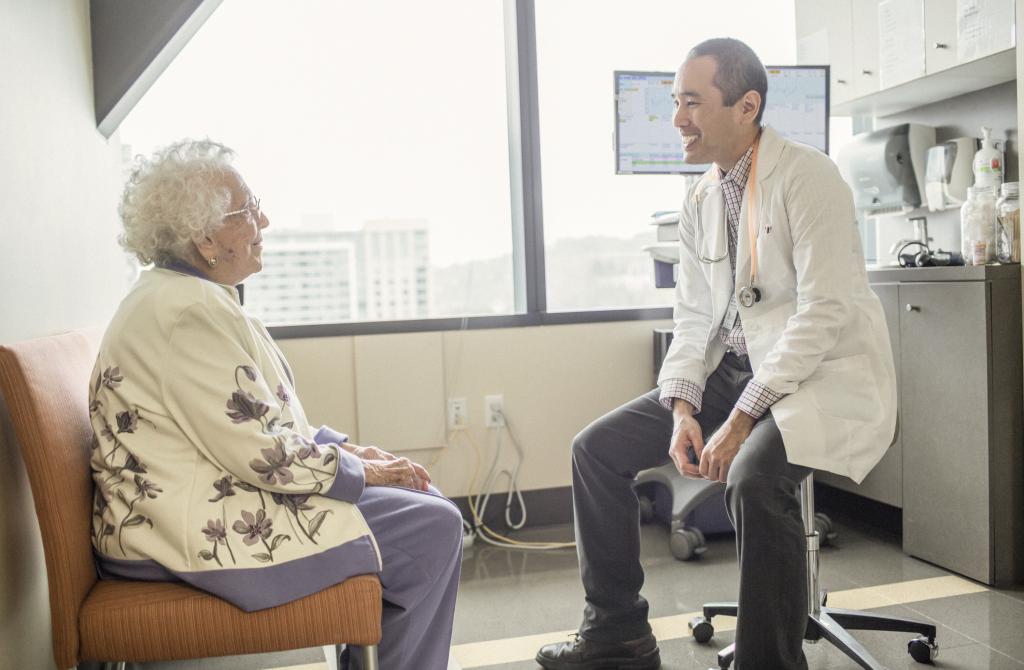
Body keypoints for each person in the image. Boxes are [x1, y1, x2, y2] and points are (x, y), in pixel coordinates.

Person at [535, 38, 896, 670]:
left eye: (692, 103)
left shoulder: (809, 175)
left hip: (818, 376)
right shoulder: (701, 195)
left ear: (747, 105)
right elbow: (695, 317)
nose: (677, 119)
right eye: (676, 103)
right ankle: (616, 632)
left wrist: (740, 418)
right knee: (596, 449)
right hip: (737, 370)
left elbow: (823, 313)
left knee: (753, 479)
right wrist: (681, 408)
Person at [89, 139, 462, 670]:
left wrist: (352, 452)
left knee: (427, 506)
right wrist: (365, 472)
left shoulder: (181, 297)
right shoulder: (187, 313)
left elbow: (258, 422)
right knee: (434, 526)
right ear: (206, 238)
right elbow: (263, 453)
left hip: (176, 506)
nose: (263, 219)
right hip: (177, 532)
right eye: (246, 210)